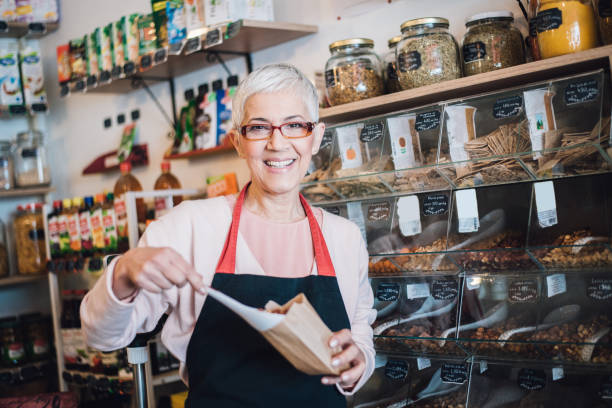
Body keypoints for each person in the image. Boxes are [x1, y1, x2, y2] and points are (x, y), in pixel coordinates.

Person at [80, 63, 375, 407]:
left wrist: (360, 362)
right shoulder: (188, 228)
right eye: (258, 128)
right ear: (238, 141)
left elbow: (361, 337)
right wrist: (124, 272)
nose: (277, 143)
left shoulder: (345, 238)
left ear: (317, 137)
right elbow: (100, 337)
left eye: (295, 125)